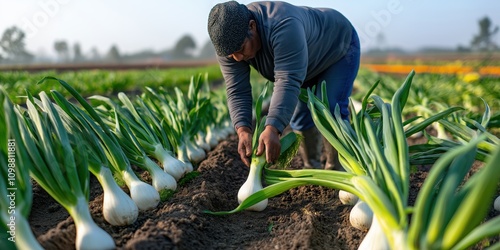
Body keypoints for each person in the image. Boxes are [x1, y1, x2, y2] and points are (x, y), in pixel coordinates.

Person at [207, 1, 360, 170]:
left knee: (331, 109)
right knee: (300, 116)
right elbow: (237, 89)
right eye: (231, 55)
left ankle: (337, 170)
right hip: (305, 63)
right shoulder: (228, 44)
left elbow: (287, 79)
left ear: (252, 26)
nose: (237, 58)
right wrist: (242, 129)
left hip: (337, 47)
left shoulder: (283, 25)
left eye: (241, 49)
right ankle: (312, 167)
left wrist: (273, 127)